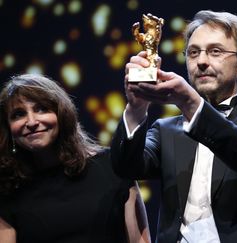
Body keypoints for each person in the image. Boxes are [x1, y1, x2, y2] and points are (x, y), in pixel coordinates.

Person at [111, 10, 237, 243]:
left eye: (215, 51)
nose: (202, 61)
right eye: (193, 53)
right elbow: (126, 168)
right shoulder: (165, 130)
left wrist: (190, 102)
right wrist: (137, 108)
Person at [0, 74, 151, 243]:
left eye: (41, 109)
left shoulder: (113, 165)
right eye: (18, 114)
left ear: (62, 114)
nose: (31, 121)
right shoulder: (8, 190)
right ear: (8, 129)